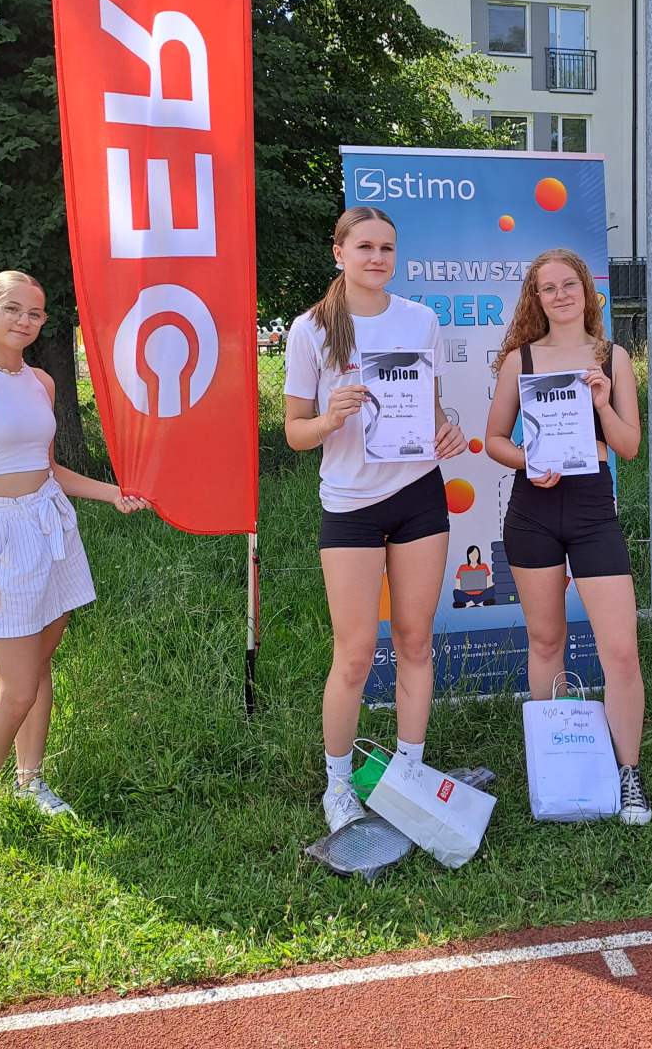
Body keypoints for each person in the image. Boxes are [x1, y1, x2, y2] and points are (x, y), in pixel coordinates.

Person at [0, 271, 151, 855]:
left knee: (39, 665)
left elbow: (47, 467)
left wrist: (112, 493)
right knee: (17, 690)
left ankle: (29, 780)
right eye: (13, 309)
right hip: (1, 537)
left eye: (35, 313)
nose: (25, 321)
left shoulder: (42, 381)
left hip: (51, 524)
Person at [283, 207, 468, 833]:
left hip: (419, 496)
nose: (377, 258)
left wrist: (447, 431)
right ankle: (338, 783)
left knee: (415, 640)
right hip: (350, 506)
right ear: (339, 253)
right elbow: (295, 433)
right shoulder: (310, 329)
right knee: (356, 652)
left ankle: (410, 771)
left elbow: (431, 408)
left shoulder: (420, 319)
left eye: (387, 248)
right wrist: (329, 418)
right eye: (364, 247)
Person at [484, 249, 649, 824]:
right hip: (532, 512)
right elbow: (494, 440)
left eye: (568, 284)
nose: (559, 295)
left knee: (620, 651)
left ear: (586, 290)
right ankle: (557, 764)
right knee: (546, 642)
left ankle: (628, 773)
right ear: (536, 298)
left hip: (592, 512)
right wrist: (528, 460)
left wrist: (602, 401)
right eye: (547, 288)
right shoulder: (521, 360)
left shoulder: (614, 357)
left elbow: (629, 446)